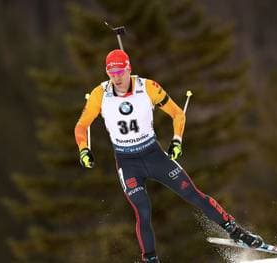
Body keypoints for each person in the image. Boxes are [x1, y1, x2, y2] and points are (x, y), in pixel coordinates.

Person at [74, 49, 263, 262]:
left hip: (154, 156)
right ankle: (150, 259)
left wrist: (177, 141)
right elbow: (81, 125)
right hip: (128, 163)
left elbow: (177, 113)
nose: (116, 77)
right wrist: (84, 149)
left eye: (120, 71)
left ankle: (237, 232)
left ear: (129, 68)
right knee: (143, 211)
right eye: (111, 72)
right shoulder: (100, 94)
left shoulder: (148, 88)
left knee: (193, 194)